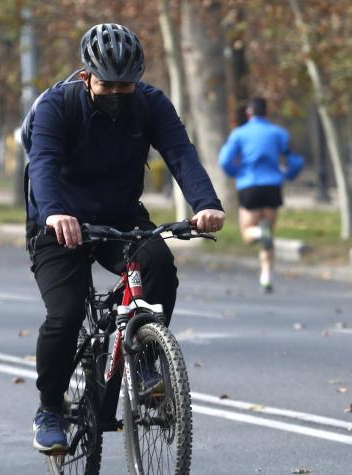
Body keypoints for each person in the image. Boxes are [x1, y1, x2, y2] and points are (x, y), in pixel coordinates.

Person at [24, 23, 225, 452]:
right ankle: (49, 409)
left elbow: (180, 153)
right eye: (107, 84)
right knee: (64, 312)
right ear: (86, 77)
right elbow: (42, 163)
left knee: (158, 264)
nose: (116, 92)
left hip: (120, 217)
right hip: (59, 220)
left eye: (126, 85)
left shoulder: (151, 104)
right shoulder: (57, 106)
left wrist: (205, 204)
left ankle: (148, 360)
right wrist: (56, 213)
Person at [219, 97, 304, 293]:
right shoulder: (279, 133)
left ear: (249, 114)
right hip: (273, 187)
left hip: (249, 186)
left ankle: (258, 233)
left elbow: (224, 160)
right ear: (267, 113)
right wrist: (287, 174)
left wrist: (236, 172)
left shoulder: (239, 134)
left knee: (249, 233)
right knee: (269, 233)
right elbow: (295, 161)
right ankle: (266, 276)